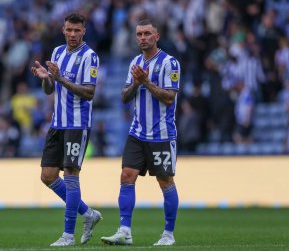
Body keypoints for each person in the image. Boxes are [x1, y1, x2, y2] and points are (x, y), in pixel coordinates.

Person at [101, 19, 180, 246]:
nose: (143, 38)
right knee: (127, 176)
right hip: (137, 132)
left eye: (147, 33)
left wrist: (145, 82)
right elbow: (125, 97)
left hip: (162, 134)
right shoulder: (135, 62)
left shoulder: (169, 63)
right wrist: (136, 83)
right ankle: (125, 231)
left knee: (165, 181)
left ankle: (168, 234)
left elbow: (169, 97)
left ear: (157, 36)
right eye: (139, 34)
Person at [31, 13, 102, 247]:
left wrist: (59, 78)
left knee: (71, 176)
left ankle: (68, 235)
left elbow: (89, 92)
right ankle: (88, 214)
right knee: (47, 176)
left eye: (77, 30)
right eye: (69, 30)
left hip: (77, 124)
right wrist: (46, 78)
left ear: (84, 31)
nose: (72, 34)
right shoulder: (57, 53)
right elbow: (49, 90)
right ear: (63, 29)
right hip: (57, 123)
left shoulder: (90, 57)